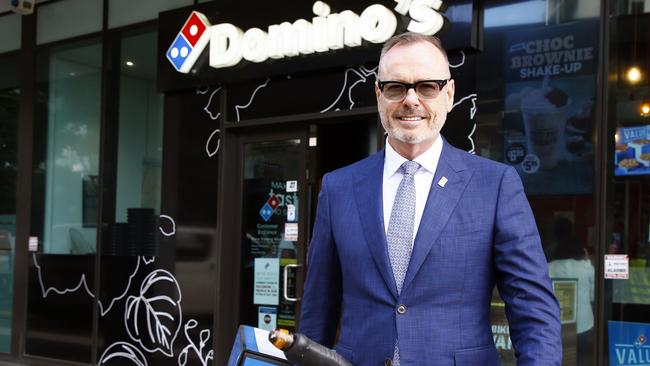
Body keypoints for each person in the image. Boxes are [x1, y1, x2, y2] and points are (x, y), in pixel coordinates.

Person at [299, 32, 562, 366]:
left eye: (427, 86)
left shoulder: (494, 185)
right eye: (396, 87)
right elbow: (318, 310)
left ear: (449, 94)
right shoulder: (338, 188)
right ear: (378, 95)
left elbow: (533, 309)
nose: (411, 100)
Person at [548, 216, 594, 366]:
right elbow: (593, 295)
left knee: (560, 357)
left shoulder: (550, 267)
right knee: (580, 357)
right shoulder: (586, 267)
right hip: (584, 323)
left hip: (558, 324)